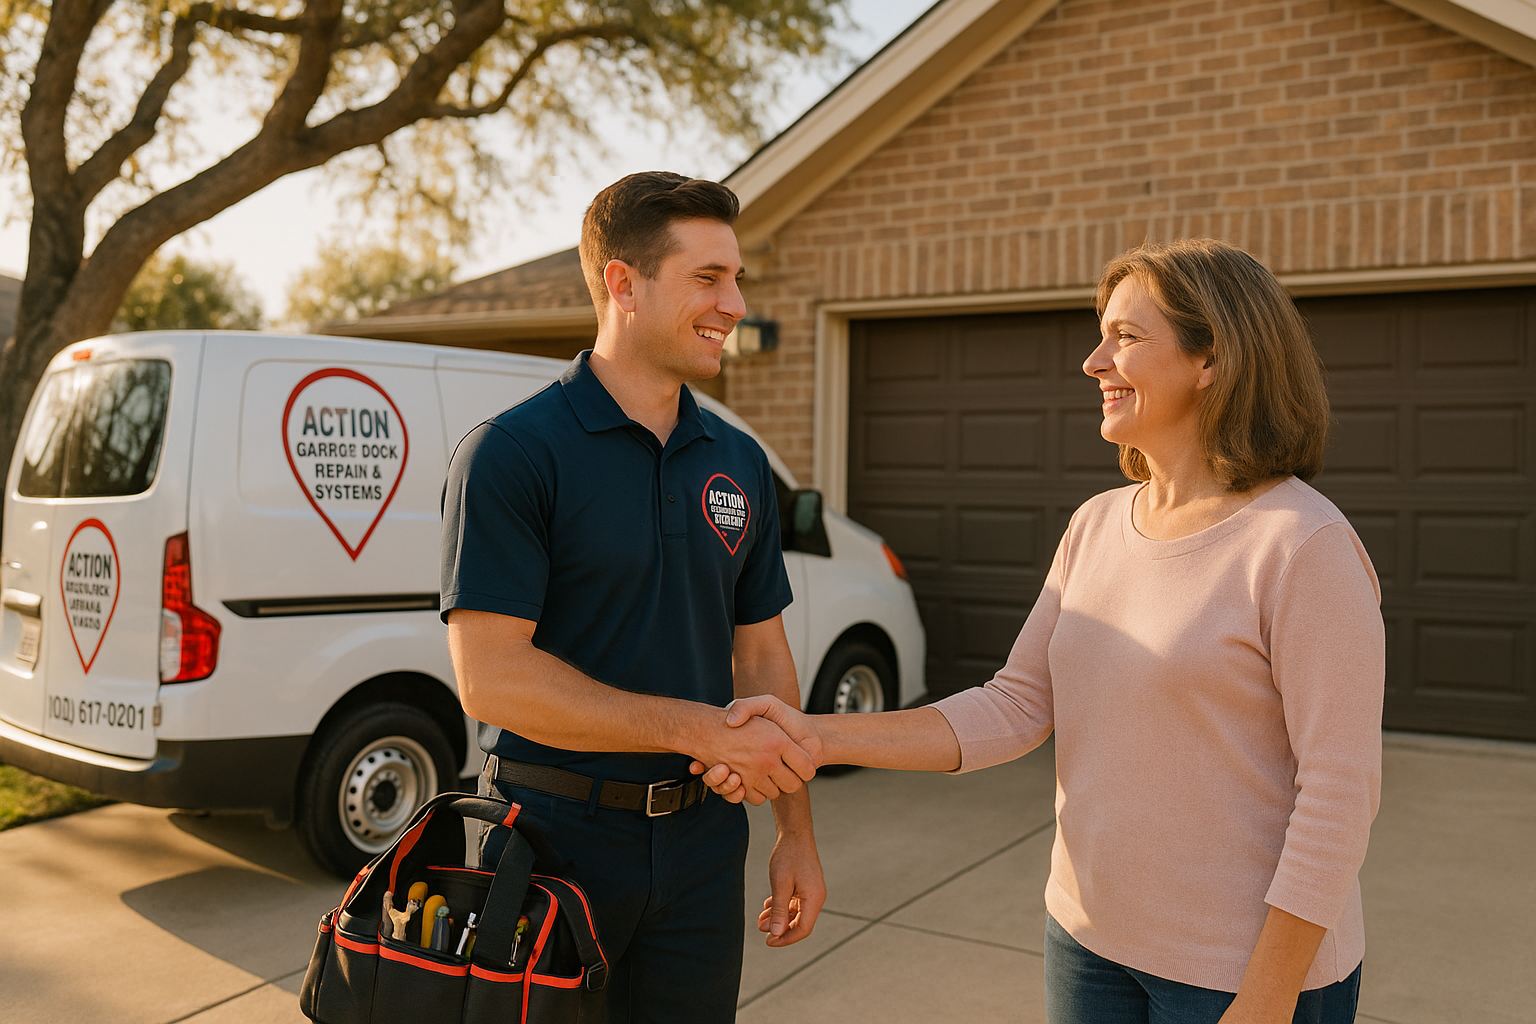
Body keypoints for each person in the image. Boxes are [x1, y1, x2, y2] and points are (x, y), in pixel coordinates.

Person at [698, 238, 1384, 1024]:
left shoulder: (1302, 545)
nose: (1094, 361)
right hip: (1088, 945)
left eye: (1125, 337)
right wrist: (809, 735)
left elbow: (1337, 796)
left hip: (1242, 974)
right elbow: (1016, 705)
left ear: (1212, 359)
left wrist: (1267, 999)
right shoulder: (1096, 524)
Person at [441, 171, 826, 1024]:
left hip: (702, 845)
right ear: (624, 283)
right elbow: (492, 679)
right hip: (546, 845)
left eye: (736, 279)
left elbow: (762, 655)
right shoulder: (513, 453)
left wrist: (794, 834)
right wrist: (694, 727)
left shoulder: (738, 458)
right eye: (707, 278)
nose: (733, 303)